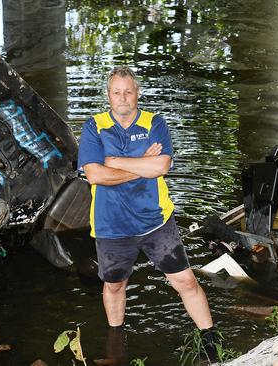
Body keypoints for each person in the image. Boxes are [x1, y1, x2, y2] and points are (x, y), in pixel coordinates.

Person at [78, 66, 220, 360]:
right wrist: (139, 164)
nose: (123, 98)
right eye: (116, 92)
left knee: (186, 282)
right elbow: (94, 175)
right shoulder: (94, 126)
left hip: (155, 221)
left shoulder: (154, 122)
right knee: (114, 285)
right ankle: (116, 340)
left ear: (137, 93)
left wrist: (115, 161)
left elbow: (160, 167)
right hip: (111, 225)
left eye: (128, 92)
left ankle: (211, 340)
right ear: (108, 95)